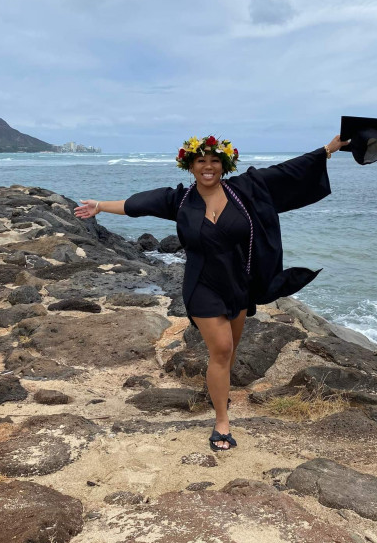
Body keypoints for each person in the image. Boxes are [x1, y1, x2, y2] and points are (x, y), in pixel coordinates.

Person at [74, 134, 348, 451]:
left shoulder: (246, 189)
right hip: (201, 285)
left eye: (215, 161)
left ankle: (219, 389)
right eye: (201, 161)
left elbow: (288, 171)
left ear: (224, 164)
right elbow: (137, 204)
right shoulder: (179, 200)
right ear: (190, 165)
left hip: (239, 284)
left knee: (227, 354)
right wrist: (99, 206)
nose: (208, 166)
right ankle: (221, 421)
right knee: (220, 349)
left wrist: (329, 149)